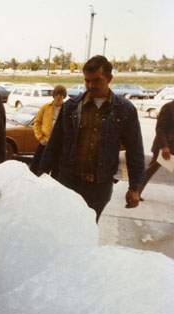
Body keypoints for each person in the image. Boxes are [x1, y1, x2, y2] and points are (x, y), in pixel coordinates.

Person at [39, 55, 145, 222]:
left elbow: (135, 149)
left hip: (99, 188)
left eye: (96, 80)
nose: (90, 86)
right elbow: (54, 144)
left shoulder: (124, 110)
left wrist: (135, 188)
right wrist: (41, 176)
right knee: (60, 229)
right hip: (67, 183)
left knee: (87, 232)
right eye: (87, 80)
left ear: (109, 78)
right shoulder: (71, 107)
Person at [139, 100, 174, 197]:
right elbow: (160, 128)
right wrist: (164, 147)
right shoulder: (169, 107)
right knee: (151, 170)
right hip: (164, 147)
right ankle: (136, 191)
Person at [30, 85, 67, 176]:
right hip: (45, 142)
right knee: (37, 167)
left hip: (59, 144)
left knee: (57, 169)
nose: (59, 97)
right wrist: (40, 138)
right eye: (57, 94)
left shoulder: (67, 108)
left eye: (61, 95)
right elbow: (37, 123)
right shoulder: (45, 107)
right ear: (53, 95)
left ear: (64, 96)